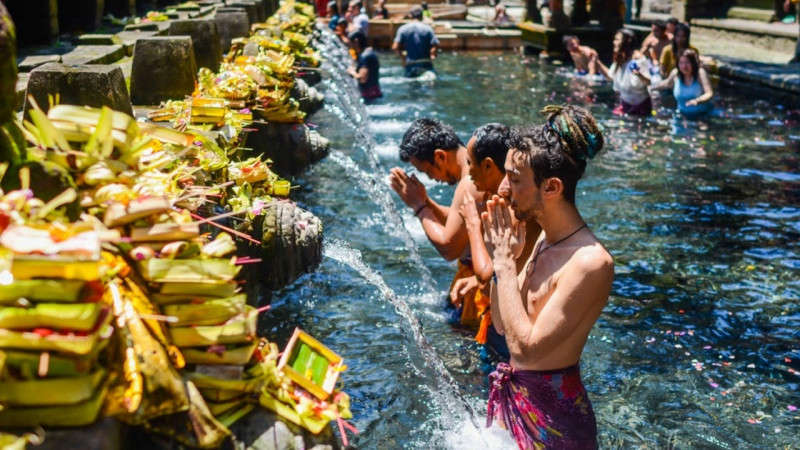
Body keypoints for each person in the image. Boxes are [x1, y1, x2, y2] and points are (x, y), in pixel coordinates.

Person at [483, 105, 613, 449]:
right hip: (514, 404)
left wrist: (503, 263)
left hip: (556, 430)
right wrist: (504, 262)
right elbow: (501, 324)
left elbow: (526, 352)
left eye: (514, 178)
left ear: (552, 187)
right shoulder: (542, 239)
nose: (503, 187)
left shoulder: (591, 262)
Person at [389, 119, 487, 329]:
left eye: (427, 171)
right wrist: (426, 201)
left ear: (440, 156)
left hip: (483, 291)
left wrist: (419, 208)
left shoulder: (470, 182)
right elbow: (457, 221)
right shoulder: (472, 175)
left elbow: (450, 247)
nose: (432, 178)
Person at [456, 124, 543, 357]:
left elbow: (487, 274)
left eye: (469, 163)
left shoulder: (513, 209)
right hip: (507, 313)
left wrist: (473, 224)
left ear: (488, 165)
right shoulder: (507, 201)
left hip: (512, 319)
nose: (467, 171)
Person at [598, 29, 652, 116]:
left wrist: (639, 74)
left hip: (641, 108)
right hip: (625, 105)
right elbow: (610, 76)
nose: (614, 42)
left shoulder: (638, 60)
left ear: (627, 41)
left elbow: (649, 81)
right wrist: (597, 62)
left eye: (617, 39)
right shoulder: (620, 58)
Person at [652, 49, 713, 119]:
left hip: (701, 115)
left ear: (693, 63)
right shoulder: (676, 74)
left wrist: (697, 100)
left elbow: (709, 93)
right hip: (681, 114)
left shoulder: (700, 73)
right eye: (681, 63)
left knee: (702, 129)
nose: (684, 66)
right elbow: (667, 84)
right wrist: (651, 87)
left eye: (687, 62)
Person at [393, 6, 440, 77]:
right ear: (422, 16)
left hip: (410, 64)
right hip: (426, 64)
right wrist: (432, 55)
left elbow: (395, 47)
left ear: (410, 16)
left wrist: (403, 58)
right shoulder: (428, 29)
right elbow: (435, 45)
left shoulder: (403, 29)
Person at [346, 30, 382, 100]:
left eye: (350, 43)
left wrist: (352, 72)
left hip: (369, 94)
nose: (349, 46)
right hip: (375, 92)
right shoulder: (369, 52)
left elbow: (362, 78)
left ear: (356, 41)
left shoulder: (364, 56)